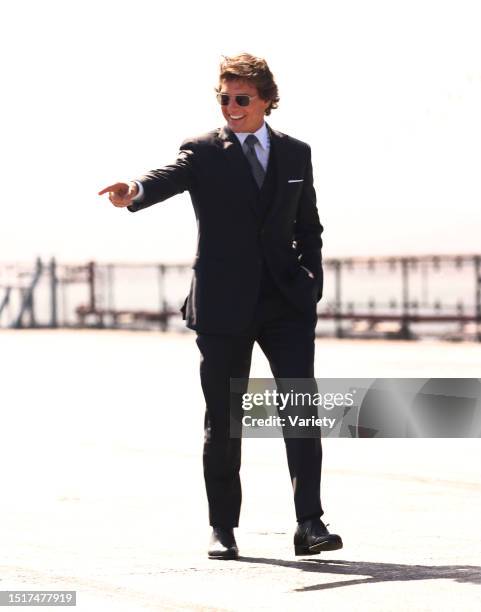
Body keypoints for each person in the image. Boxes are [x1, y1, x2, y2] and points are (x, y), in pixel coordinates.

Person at [99, 53, 343, 560]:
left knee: (300, 410)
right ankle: (223, 527)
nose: (231, 107)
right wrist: (135, 191)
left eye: (241, 99)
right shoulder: (206, 151)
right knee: (225, 418)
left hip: (284, 303)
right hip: (223, 304)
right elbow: (167, 177)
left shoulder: (297, 154)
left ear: (267, 101)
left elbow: (309, 226)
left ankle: (310, 523)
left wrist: (310, 283)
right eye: (224, 98)